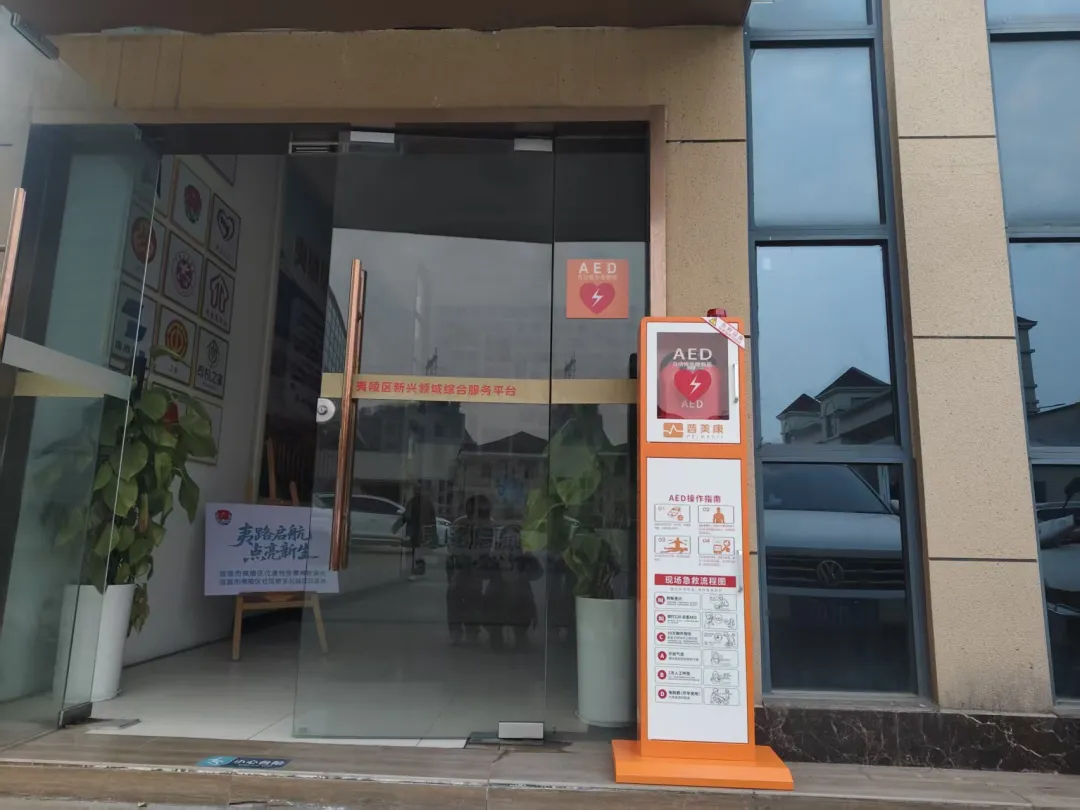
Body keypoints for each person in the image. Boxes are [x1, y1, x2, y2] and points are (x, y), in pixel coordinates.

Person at [446, 495, 494, 644]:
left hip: (479, 566)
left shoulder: (490, 526)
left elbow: (492, 548)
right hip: (460, 565)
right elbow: (452, 546)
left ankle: (471, 630)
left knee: (473, 596)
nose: (477, 516)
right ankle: (457, 631)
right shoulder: (460, 524)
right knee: (454, 595)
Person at [395, 482, 436, 581]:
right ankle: (417, 570)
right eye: (416, 489)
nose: (417, 491)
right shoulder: (415, 502)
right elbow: (407, 515)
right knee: (416, 552)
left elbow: (432, 518)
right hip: (416, 530)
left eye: (418, 489)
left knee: (418, 552)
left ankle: (417, 571)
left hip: (419, 530)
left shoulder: (422, 502)